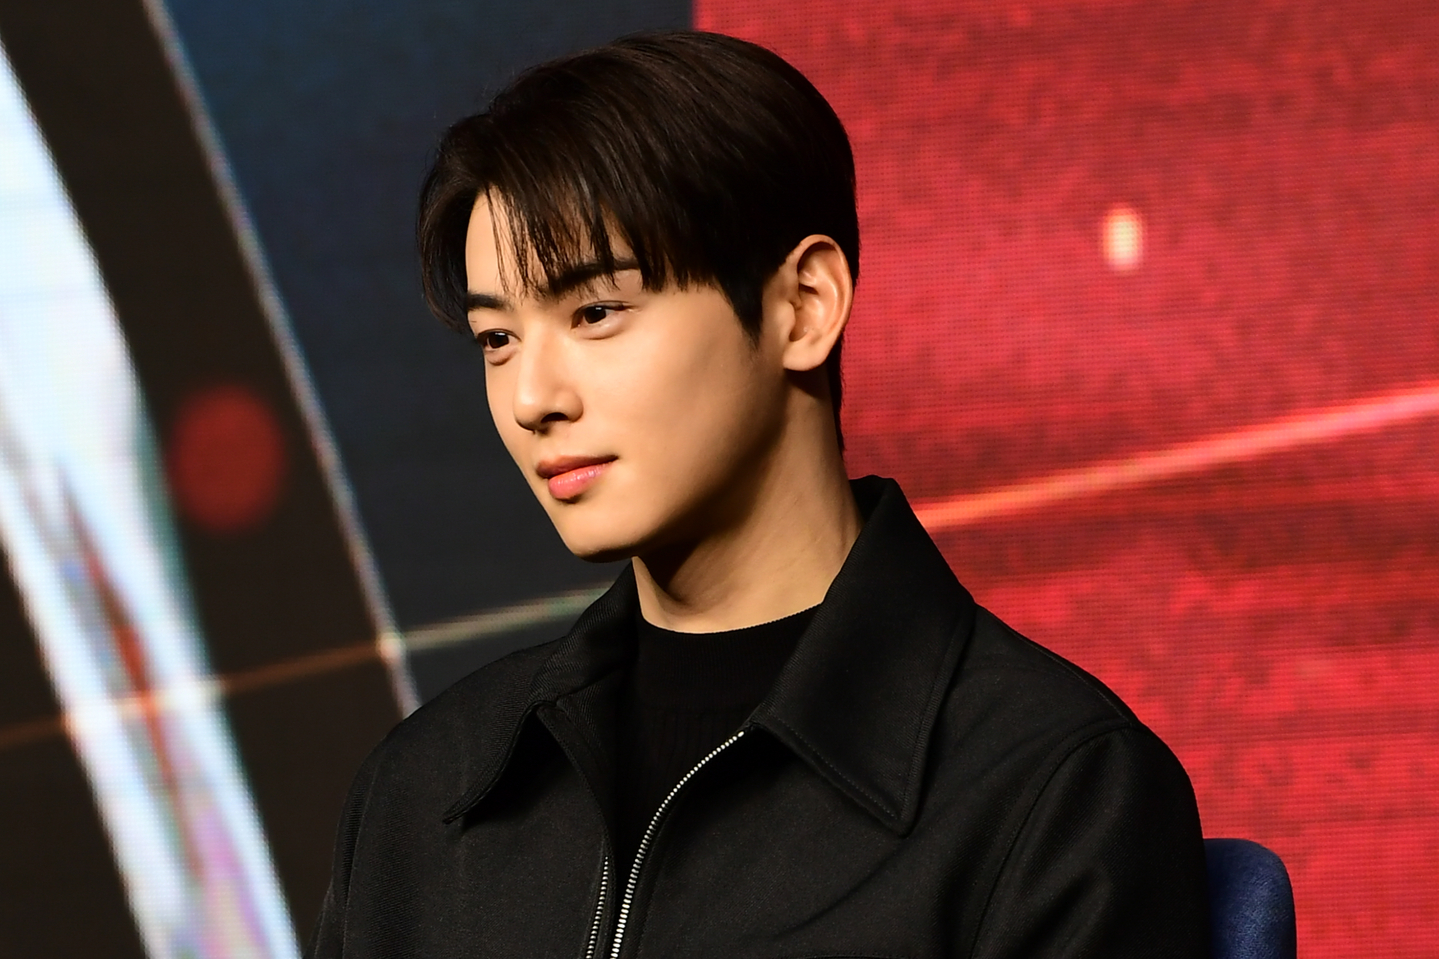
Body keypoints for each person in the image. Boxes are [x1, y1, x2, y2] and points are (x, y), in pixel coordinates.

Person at [307, 30, 1209, 959]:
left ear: (803, 306)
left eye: (595, 314)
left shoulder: (1050, 790)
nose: (534, 398)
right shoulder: (428, 792)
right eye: (497, 340)